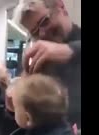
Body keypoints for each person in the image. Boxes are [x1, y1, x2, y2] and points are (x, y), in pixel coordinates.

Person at [12, 0, 81, 128]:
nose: (42, 34)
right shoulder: (42, 60)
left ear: (61, 6)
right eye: (35, 32)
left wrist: (71, 50)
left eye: (44, 22)